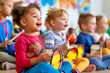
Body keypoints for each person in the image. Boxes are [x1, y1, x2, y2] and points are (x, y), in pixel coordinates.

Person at [12, 3, 72, 73]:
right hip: (26, 70)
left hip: (38, 66)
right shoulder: (21, 40)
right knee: (43, 66)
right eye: (35, 16)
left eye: (40, 17)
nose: (39, 19)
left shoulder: (39, 38)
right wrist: (38, 60)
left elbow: (41, 54)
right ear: (23, 21)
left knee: (67, 64)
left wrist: (53, 56)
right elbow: (21, 62)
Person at [44, 7, 95, 73]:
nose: (66, 21)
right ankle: (80, 69)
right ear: (53, 23)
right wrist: (61, 48)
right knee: (67, 62)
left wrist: (70, 48)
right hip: (57, 59)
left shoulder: (63, 34)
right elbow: (48, 48)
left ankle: (77, 69)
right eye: (63, 19)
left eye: (67, 20)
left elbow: (65, 48)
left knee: (85, 60)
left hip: (66, 57)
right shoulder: (50, 34)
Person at [0, 0, 16, 70]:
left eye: (12, 7)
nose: (11, 9)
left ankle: (7, 64)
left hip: (10, 50)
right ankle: (25, 62)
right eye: (9, 6)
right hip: (1, 51)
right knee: (1, 55)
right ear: (0, 7)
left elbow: (12, 35)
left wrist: (20, 36)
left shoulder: (9, 23)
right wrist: (3, 44)